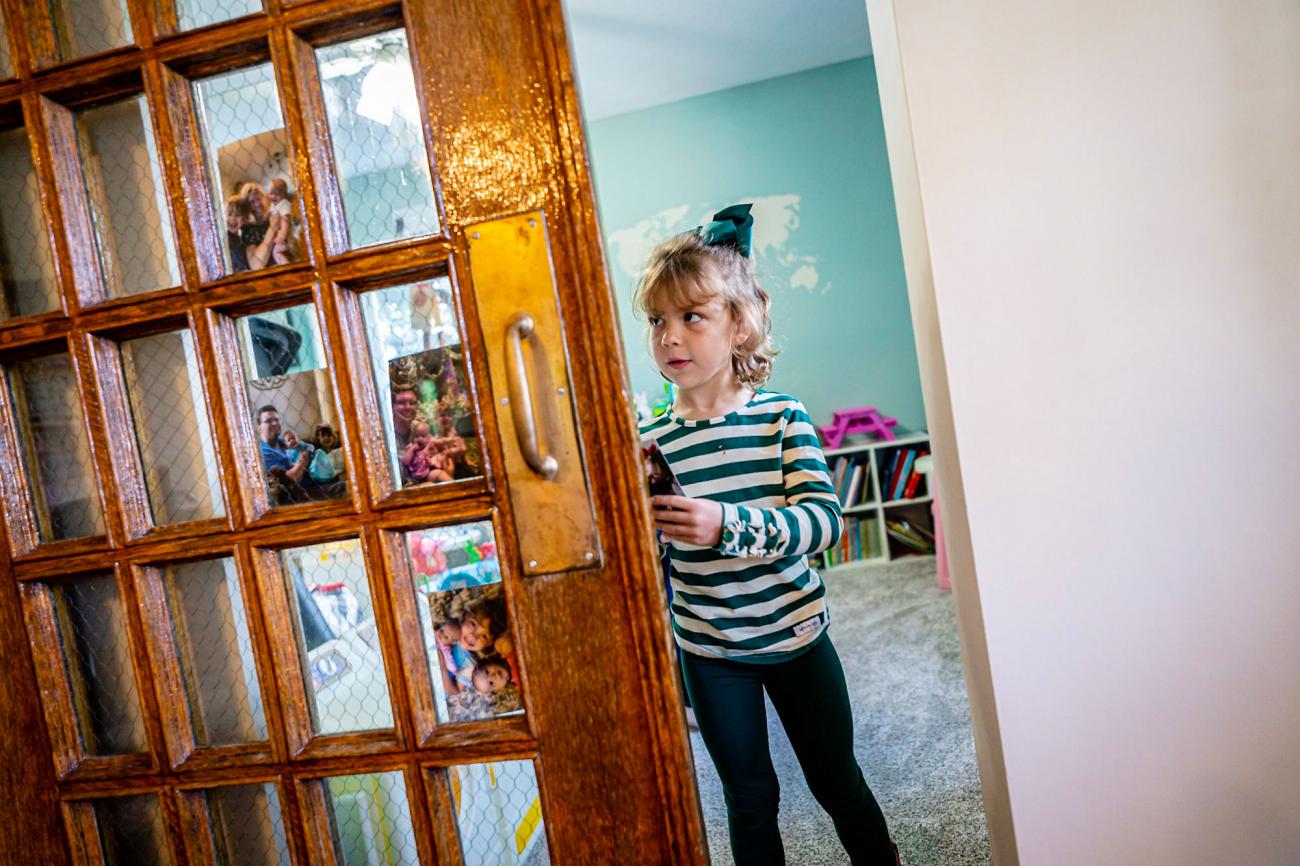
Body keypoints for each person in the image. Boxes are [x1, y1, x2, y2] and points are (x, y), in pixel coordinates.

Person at [636, 204, 900, 866]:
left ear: (739, 324)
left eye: (691, 316)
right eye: (657, 321)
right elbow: (649, 559)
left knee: (836, 779)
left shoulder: (782, 418)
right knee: (748, 797)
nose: (670, 335)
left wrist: (724, 522)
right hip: (711, 649)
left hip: (798, 637)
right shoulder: (651, 443)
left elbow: (824, 523)